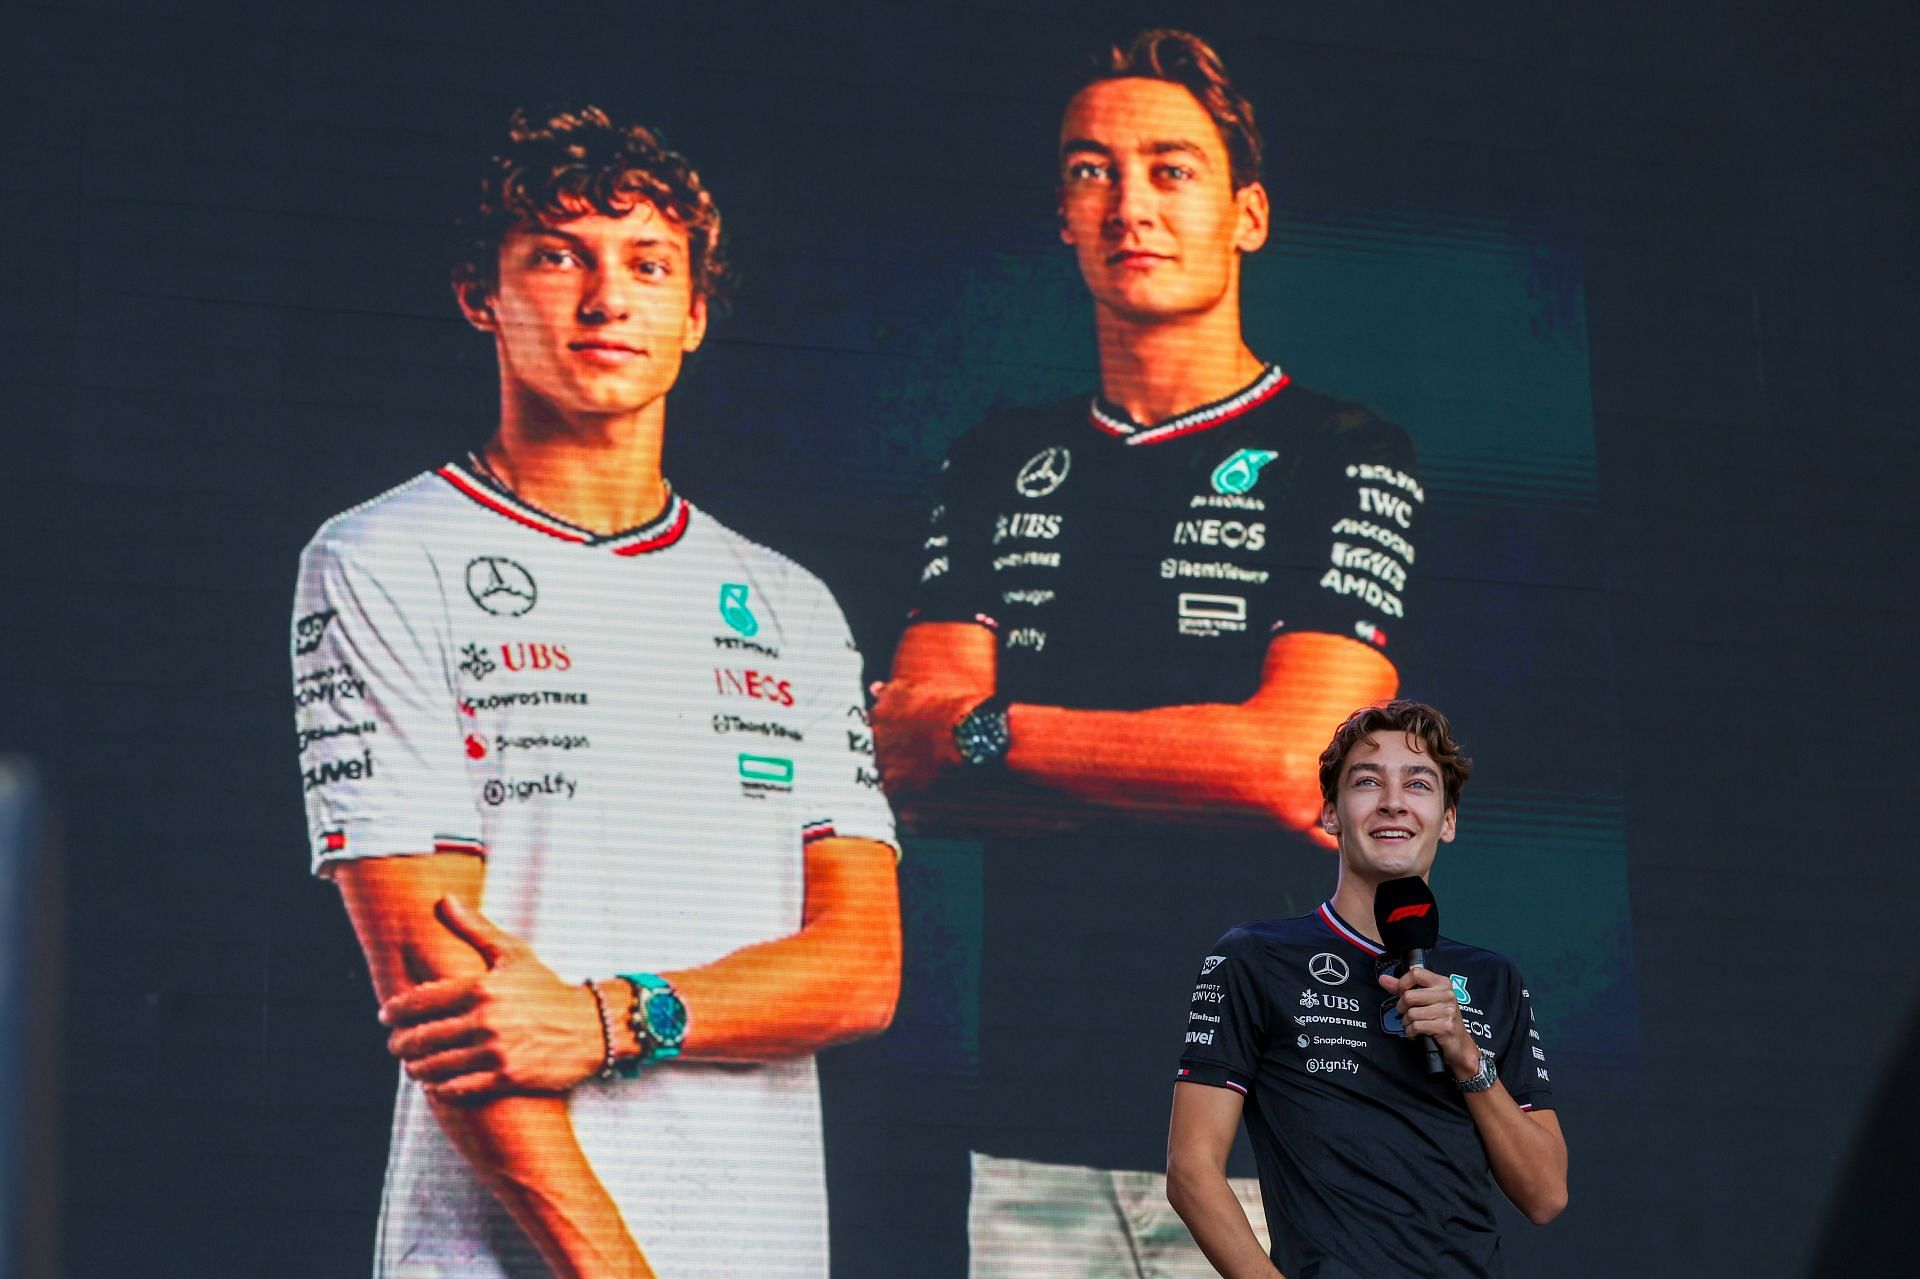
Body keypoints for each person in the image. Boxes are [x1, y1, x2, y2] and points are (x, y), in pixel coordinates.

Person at [288, 106, 901, 1279]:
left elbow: (863, 968)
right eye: (560, 255)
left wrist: (613, 1016)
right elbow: (444, 999)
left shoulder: (789, 602)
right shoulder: (377, 559)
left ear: (696, 312)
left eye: (648, 265)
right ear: (482, 293)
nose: (606, 298)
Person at [871, 28, 1421, 1274]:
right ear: (1061, 217)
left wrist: (1000, 733)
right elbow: (908, 765)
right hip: (1033, 1137)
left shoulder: (1347, 449)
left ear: (1249, 215)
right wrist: (1181, 765)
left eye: (1172, 169)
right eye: (1090, 170)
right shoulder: (998, 454)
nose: (1130, 204)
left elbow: (1288, 767)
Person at [1167, 701, 1567, 1277]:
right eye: (1367, 781)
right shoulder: (1254, 957)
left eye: (1419, 783)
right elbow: (1190, 1169)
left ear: (1448, 820)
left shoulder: (1492, 978)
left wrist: (1467, 1058)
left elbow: (1546, 1194)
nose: (1393, 801)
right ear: (1330, 813)